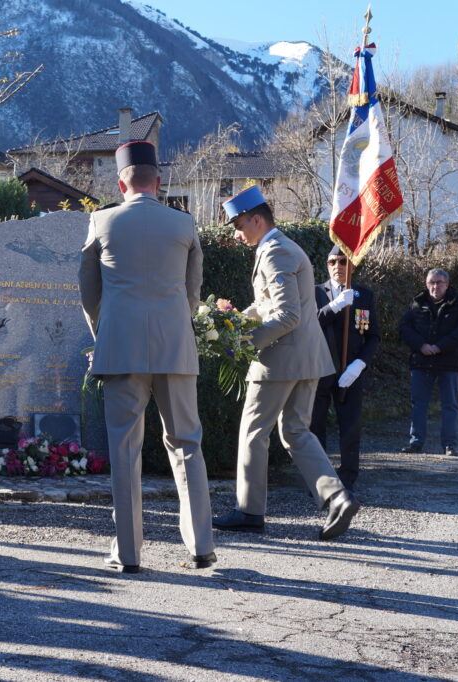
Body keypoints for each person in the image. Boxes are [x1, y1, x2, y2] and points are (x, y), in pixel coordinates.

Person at [79, 140, 215, 573]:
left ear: (121, 183)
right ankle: (201, 546)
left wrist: (103, 333)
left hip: (120, 349)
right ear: (159, 181)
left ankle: (129, 553)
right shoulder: (184, 224)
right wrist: (178, 321)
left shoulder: (101, 222)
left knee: (124, 449)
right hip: (174, 347)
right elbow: (193, 293)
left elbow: (88, 292)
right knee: (187, 445)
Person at [213, 186, 359, 540]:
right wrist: (230, 321)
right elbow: (269, 305)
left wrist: (245, 342)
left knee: (253, 432)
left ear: (257, 219)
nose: (236, 232)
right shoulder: (279, 248)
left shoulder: (275, 251)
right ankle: (337, 498)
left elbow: (286, 315)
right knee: (295, 431)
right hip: (306, 358)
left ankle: (249, 510)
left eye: (238, 224)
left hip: (280, 360)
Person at [310, 246, 380, 491]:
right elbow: (310, 324)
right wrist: (336, 305)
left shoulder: (364, 295)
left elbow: (372, 336)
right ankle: (318, 479)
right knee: (315, 427)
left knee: (350, 427)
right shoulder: (315, 292)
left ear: (352, 265)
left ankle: (348, 478)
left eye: (343, 261)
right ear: (326, 265)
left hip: (350, 371)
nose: (337, 267)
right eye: (332, 262)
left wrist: (359, 365)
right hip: (319, 371)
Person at [398, 268, 458, 456]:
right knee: (418, 403)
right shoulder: (416, 303)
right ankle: (416, 442)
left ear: (447, 284)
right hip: (422, 361)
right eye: (431, 283)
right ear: (426, 284)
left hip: (450, 362)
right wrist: (421, 345)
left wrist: (439, 347)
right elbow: (404, 328)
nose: (435, 286)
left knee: (450, 404)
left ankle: (449, 445)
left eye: (439, 282)